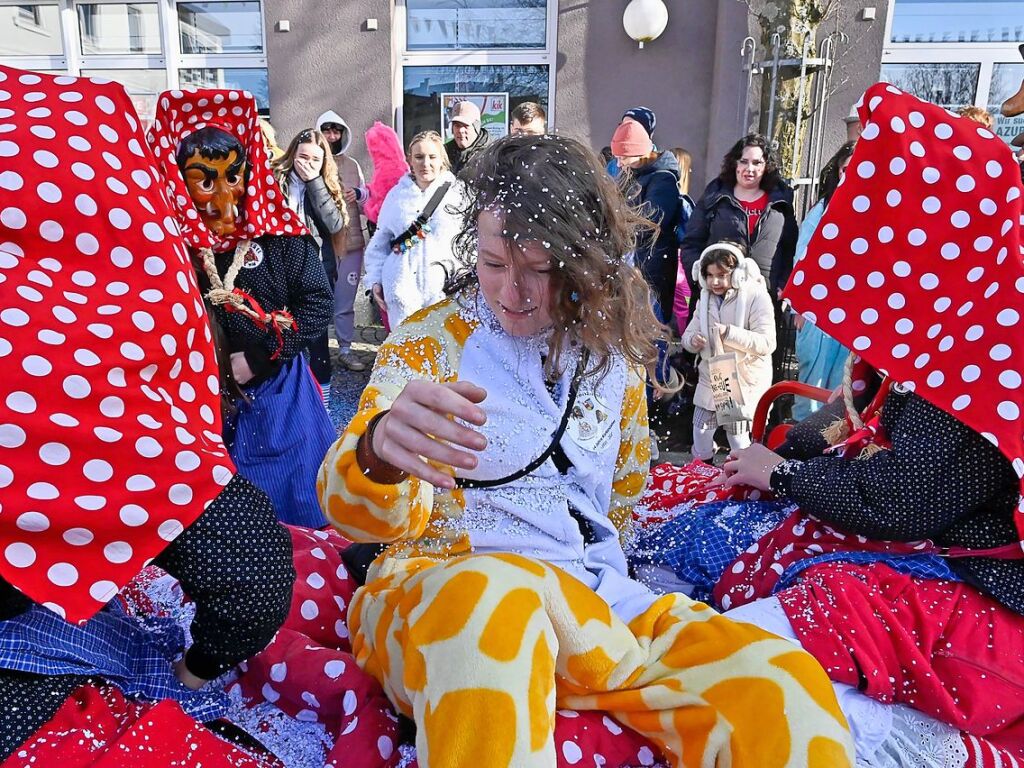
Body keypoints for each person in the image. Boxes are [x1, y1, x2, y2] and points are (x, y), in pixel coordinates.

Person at [317, 133, 854, 768]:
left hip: (589, 603)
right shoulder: (429, 343)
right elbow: (356, 516)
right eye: (493, 264)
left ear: (582, 261)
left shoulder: (613, 358)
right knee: (493, 607)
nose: (513, 294)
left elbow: (622, 498)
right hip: (441, 596)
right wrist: (377, 451)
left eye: (540, 270)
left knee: (782, 685)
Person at [668, 83, 1024, 758]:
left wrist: (784, 475)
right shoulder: (961, 305)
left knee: (754, 560)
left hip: (973, 577)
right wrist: (785, 446)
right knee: (706, 508)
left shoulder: (988, 338)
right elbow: (864, 415)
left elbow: (903, 498)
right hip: (920, 527)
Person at [0, 69, 293, 759]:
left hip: (263, 402)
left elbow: (305, 305)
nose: (211, 195)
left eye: (227, 176)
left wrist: (262, 344)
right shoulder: (83, 357)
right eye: (195, 176)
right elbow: (252, 576)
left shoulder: (279, 235)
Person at [147, 88, 334, 529]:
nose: (223, 198)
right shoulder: (165, 245)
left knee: (295, 518)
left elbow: (316, 303)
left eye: (233, 178)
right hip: (193, 405)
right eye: (205, 181)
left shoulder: (282, 239)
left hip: (278, 398)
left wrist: (256, 358)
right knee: (211, 524)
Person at [362, 130, 466, 329]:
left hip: (445, 294)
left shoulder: (458, 194)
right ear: (410, 159)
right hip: (401, 294)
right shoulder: (397, 195)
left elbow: (470, 243)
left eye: (432, 157)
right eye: (419, 157)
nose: (425, 163)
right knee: (406, 354)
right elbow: (379, 242)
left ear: (442, 159)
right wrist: (375, 280)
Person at [681, 242, 775, 462]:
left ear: (738, 274)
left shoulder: (757, 296)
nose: (715, 281)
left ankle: (740, 477)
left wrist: (730, 334)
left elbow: (767, 343)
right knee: (701, 430)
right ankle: (703, 472)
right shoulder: (705, 299)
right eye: (710, 275)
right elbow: (688, 335)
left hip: (741, 379)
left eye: (722, 275)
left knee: (737, 437)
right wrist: (693, 341)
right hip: (713, 374)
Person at [274, 128, 351, 390]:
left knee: (317, 339)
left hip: (314, 269)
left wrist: (314, 182)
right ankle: (286, 397)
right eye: (303, 156)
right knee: (279, 335)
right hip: (279, 269)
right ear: (293, 153)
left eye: (315, 160)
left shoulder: (326, 183)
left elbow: (334, 223)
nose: (307, 163)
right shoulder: (274, 179)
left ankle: (323, 402)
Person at [791, 141, 856, 421]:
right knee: (811, 385)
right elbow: (802, 258)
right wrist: (799, 307)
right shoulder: (822, 210)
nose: (850, 175)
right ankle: (798, 450)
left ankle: (831, 451)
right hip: (818, 310)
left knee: (844, 386)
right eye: (845, 169)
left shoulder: (881, 210)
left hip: (855, 312)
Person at [317, 109, 371, 372]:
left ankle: (346, 349)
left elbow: (367, 201)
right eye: (326, 130)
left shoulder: (351, 164)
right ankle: (314, 349)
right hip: (320, 244)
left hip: (350, 243)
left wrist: (360, 194)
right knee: (315, 298)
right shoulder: (310, 161)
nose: (331, 135)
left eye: (336, 130)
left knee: (345, 300)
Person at [443, 99, 490, 174]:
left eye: (466, 125)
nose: (461, 130)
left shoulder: (492, 153)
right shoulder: (443, 153)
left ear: (476, 127)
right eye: (457, 125)